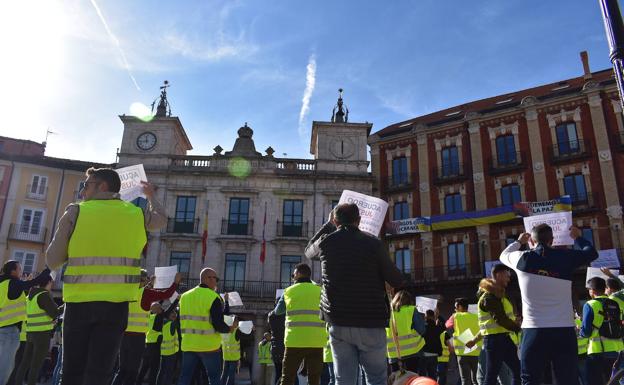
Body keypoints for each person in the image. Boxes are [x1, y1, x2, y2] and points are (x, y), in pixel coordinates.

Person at [46, 167, 167, 385]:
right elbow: (161, 220)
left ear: (102, 186)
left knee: (72, 371)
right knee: (100, 373)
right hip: (116, 305)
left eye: (86, 185)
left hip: (78, 302)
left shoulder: (76, 211)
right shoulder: (136, 214)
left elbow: (53, 260)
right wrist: (150, 196)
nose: (83, 191)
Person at [305, 204, 409, 385]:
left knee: (344, 380)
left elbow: (308, 252)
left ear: (335, 221)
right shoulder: (373, 244)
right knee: (376, 379)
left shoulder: (326, 242)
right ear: (359, 220)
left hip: (338, 321)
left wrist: (328, 225)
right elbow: (396, 279)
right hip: (370, 321)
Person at [499, 225, 598, 385]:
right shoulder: (565, 257)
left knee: (530, 380)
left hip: (534, 331)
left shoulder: (522, 258)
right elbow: (591, 253)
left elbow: (504, 255)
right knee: (568, 380)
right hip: (564, 330)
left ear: (532, 240)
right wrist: (577, 237)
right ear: (552, 240)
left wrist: (518, 242)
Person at [112, 270, 182, 385]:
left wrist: (151, 285)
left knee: (122, 370)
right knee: (132, 372)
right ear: (143, 280)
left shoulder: (125, 292)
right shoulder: (146, 293)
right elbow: (166, 294)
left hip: (124, 337)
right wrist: (175, 282)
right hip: (137, 338)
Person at [177, 268, 238, 385]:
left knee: (185, 377)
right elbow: (218, 324)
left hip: (188, 345)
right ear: (208, 278)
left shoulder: (184, 296)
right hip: (209, 347)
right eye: (216, 279)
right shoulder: (213, 297)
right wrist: (230, 328)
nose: (217, 282)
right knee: (214, 379)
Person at [467, 264, 521, 385]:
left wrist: (474, 340)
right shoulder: (490, 297)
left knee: (517, 371)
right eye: (507, 276)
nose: (509, 278)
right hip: (496, 341)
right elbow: (500, 319)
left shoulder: (497, 296)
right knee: (491, 377)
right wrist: (517, 327)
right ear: (498, 275)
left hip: (502, 339)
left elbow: (488, 325)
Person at [273, 263, 326, 385]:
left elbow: (278, 311)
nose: (292, 277)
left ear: (297, 274)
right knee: (314, 379)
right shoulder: (320, 291)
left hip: (294, 341)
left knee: (287, 378)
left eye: (293, 275)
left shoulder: (288, 291)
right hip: (316, 341)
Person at [0, 260, 51, 384]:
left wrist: (26, 283)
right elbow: (36, 282)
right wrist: (49, 268)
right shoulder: (13, 283)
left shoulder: (2, 284)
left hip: (2, 330)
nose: (21, 271)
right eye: (19, 269)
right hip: (9, 332)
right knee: (5, 369)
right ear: (13, 271)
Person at [14, 275, 62, 385]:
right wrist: (67, 304)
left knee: (24, 363)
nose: (52, 284)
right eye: (52, 282)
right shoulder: (44, 295)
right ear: (48, 282)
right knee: (36, 365)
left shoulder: (30, 296)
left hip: (30, 333)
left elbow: (38, 314)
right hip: (42, 334)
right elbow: (54, 313)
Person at [581, 277, 624, 385]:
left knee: (593, 381)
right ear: (604, 288)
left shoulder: (590, 304)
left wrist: (580, 330)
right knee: (613, 381)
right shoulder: (614, 302)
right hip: (616, 350)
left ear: (592, 290)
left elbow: (586, 332)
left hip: (597, 351)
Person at [385, 290, 425, 374]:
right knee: (412, 379)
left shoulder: (389, 313)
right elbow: (421, 330)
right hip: (412, 351)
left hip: (394, 353)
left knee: (397, 380)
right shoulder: (412, 310)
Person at [448, 298, 480, 385]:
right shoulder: (477, 316)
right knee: (476, 380)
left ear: (460, 307)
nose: (455, 309)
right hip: (476, 352)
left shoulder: (455, 316)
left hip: (462, 354)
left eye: (456, 307)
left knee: (465, 380)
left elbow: (447, 324)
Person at [136, 303, 165, 385]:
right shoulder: (159, 317)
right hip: (155, 347)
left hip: (148, 345)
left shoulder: (149, 317)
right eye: (160, 308)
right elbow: (168, 311)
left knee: (144, 369)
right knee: (154, 370)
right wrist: (176, 300)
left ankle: (137, 383)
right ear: (156, 309)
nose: (161, 309)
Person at [155, 307, 179, 385]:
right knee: (169, 374)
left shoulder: (163, 324)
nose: (174, 314)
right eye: (172, 313)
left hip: (163, 352)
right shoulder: (171, 324)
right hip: (170, 353)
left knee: (161, 372)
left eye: (175, 313)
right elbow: (178, 320)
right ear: (168, 315)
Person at [420, 310, 444, 379]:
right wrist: (439, 316)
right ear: (433, 316)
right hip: (434, 354)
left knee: (423, 377)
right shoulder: (437, 327)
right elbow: (444, 326)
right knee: (433, 376)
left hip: (424, 354)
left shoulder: (423, 327)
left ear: (426, 316)